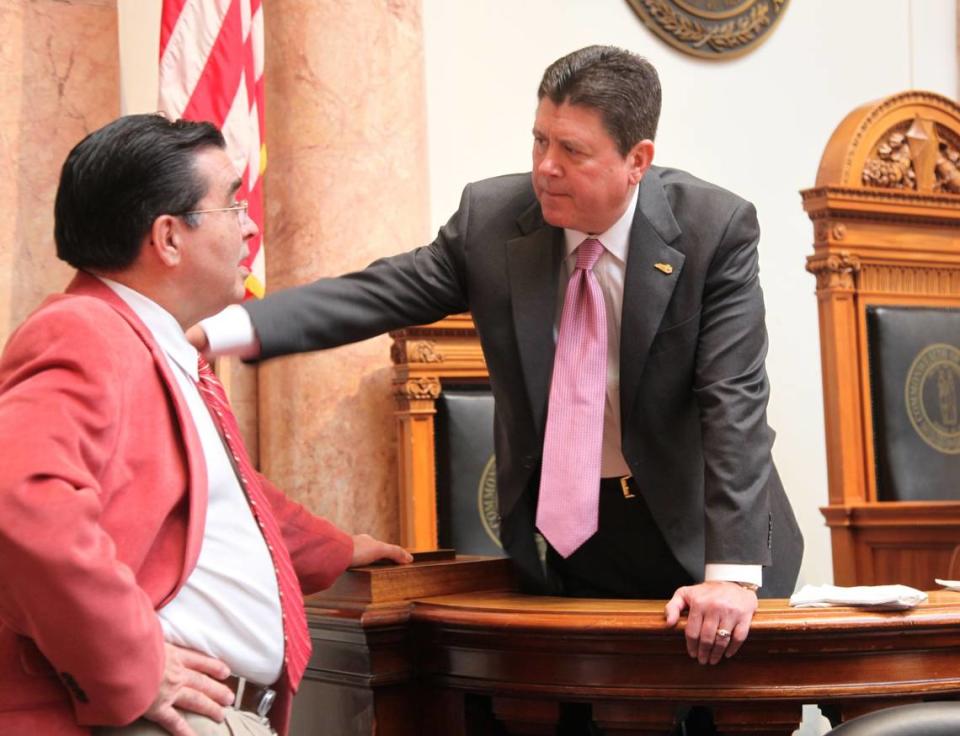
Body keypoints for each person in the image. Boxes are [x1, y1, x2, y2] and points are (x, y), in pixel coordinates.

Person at [197, 43, 802, 679]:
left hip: (706, 536)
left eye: (573, 151)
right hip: (575, 545)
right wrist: (222, 330)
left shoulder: (713, 229)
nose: (546, 168)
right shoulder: (493, 219)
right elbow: (375, 294)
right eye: (540, 141)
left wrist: (732, 577)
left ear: (637, 161)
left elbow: (732, 401)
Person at [0, 114, 412, 736]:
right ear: (168, 237)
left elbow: (224, 492)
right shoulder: (83, 329)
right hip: (139, 720)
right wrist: (133, 666)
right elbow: (21, 501)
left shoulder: (152, 343)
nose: (250, 225)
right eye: (233, 202)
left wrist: (339, 549)